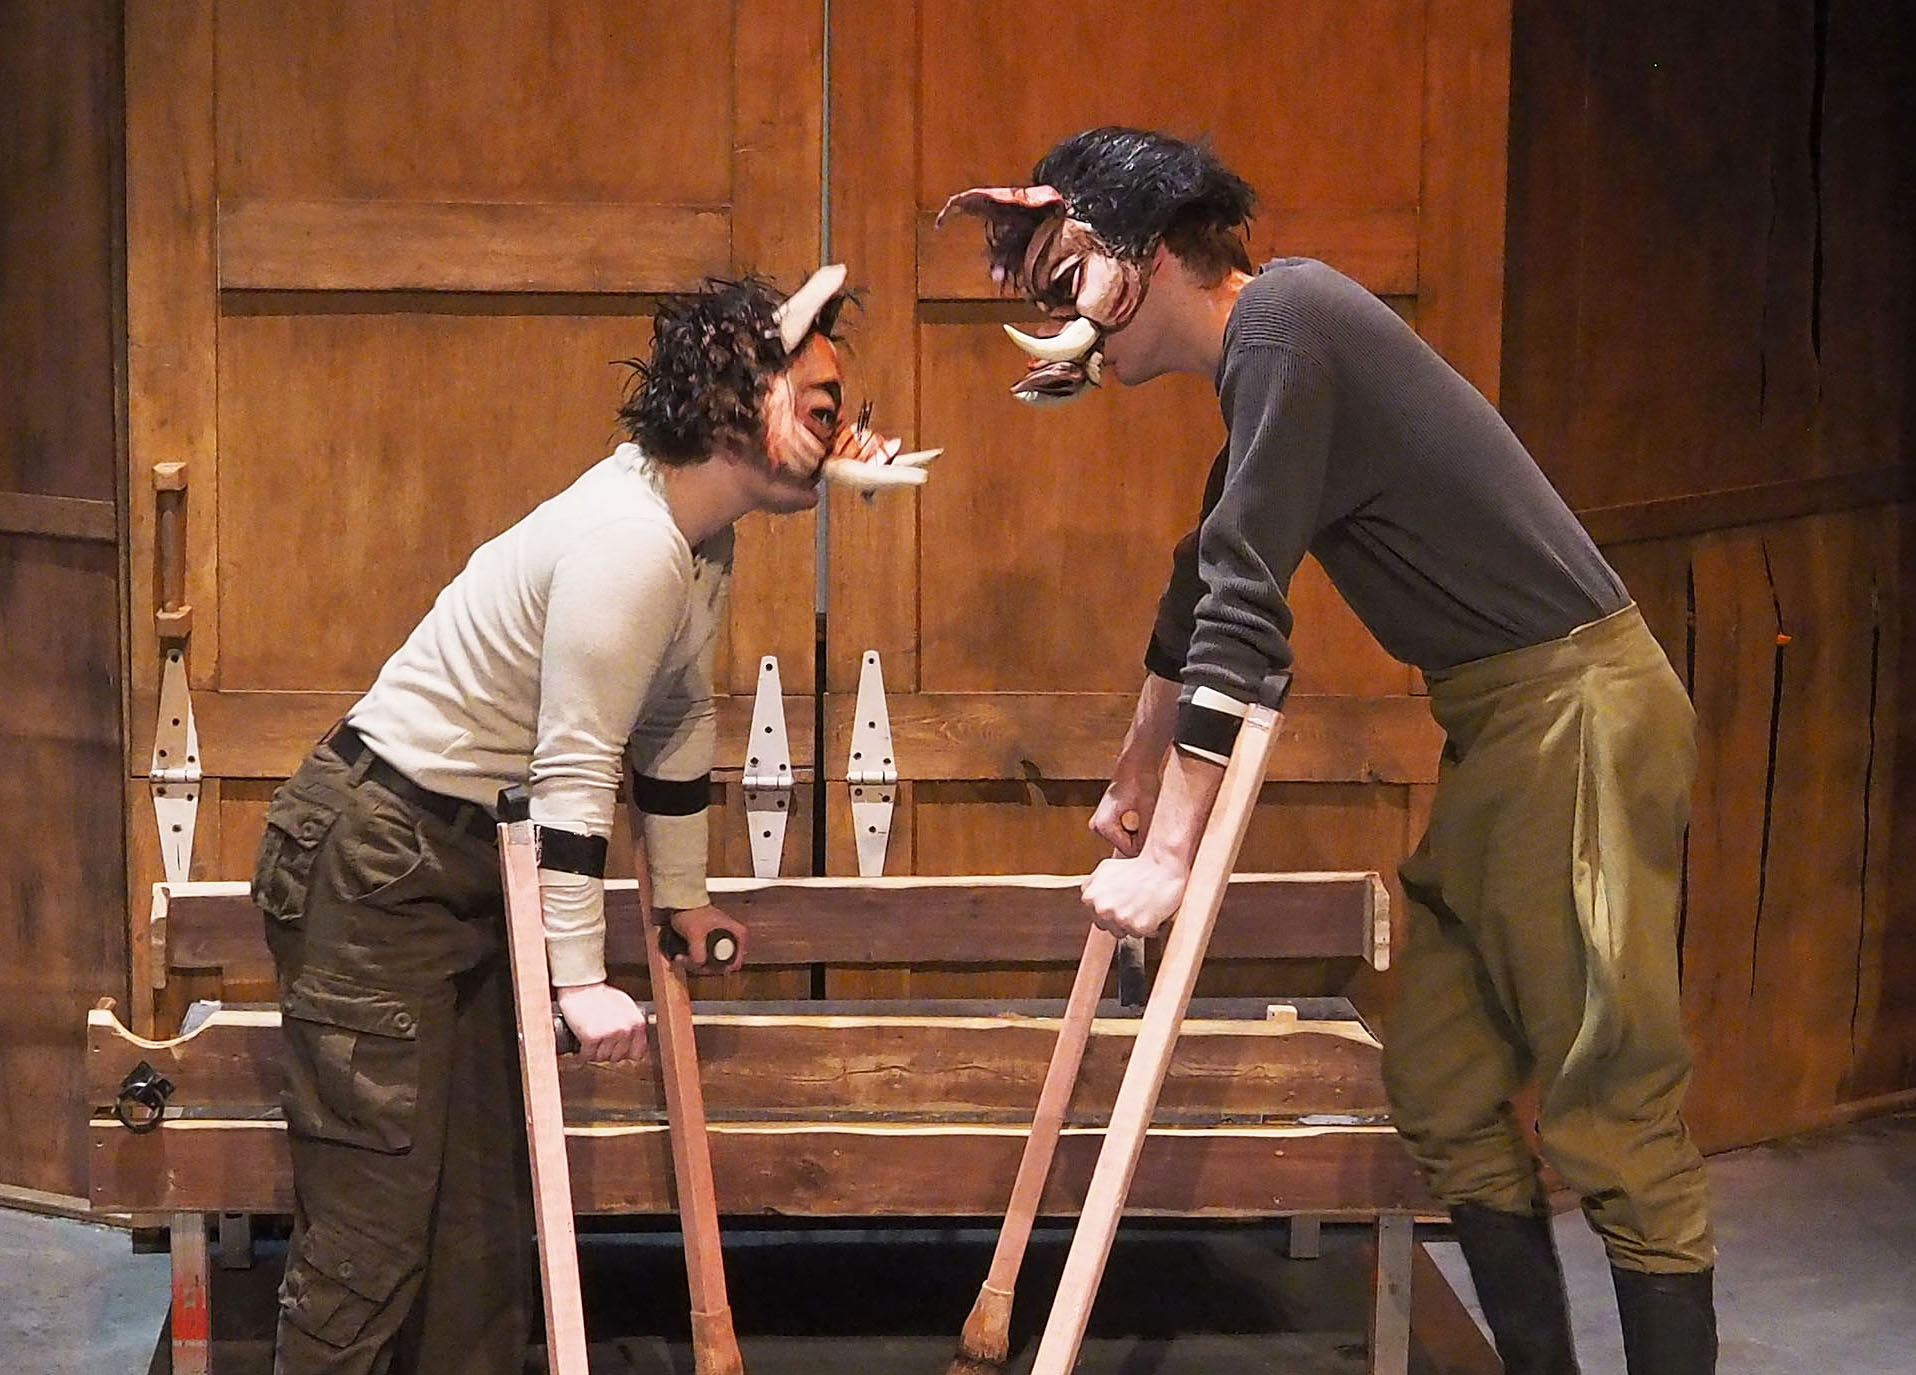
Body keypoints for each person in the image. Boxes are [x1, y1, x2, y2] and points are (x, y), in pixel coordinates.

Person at [942, 127, 1716, 1374]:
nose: (1061, 309)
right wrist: (1139, 770)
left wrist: (1177, 855)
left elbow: (1246, 608)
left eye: (1066, 270)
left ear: (1136, 246)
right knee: (1446, 1085)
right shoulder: (1266, 360)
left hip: (1576, 707)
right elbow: (1203, 571)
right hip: (1498, 723)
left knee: (1606, 1098)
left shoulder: (1285, 320)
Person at [250, 266, 910, 1373]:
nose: (839, 423)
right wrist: (573, 976)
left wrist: (684, 902)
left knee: (478, 1230)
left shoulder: (695, 538)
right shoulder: (630, 538)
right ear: (735, 395)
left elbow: (674, 714)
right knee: (372, 1235)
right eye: (819, 399)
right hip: (380, 855)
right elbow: (572, 759)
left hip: (457, 858)